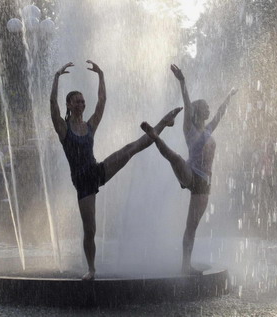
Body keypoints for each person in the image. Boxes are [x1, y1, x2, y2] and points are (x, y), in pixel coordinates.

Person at [50, 60, 182, 280]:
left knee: (131, 149)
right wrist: (56, 77)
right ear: (70, 105)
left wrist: (101, 75)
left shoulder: (89, 126)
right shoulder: (64, 130)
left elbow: (102, 101)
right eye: (77, 101)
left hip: (97, 170)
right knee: (90, 230)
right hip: (83, 183)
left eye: (83, 101)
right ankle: (91, 269)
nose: (82, 104)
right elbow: (53, 104)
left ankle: (162, 124)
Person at [141, 64, 238, 275]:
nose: (209, 109)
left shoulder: (209, 129)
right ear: (197, 111)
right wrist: (182, 81)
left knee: (191, 226)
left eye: (208, 107)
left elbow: (221, 113)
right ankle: (155, 137)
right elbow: (186, 102)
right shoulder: (189, 129)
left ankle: (186, 265)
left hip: (204, 182)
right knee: (175, 158)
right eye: (205, 107)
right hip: (189, 172)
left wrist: (229, 96)